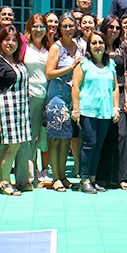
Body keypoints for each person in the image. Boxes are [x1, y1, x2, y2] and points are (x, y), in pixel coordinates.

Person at [70, 31, 120, 193]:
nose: (97, 46)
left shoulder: (111, 65)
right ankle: (84, 179)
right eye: (94, 43)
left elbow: (115, 88)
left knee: (98, 146)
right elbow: (75, 86)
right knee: (89, 145)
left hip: (105, 112)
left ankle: (93, 178)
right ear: (89, 46)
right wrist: (76, 109)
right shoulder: (83, 64)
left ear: (105, 45)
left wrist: (115, 108)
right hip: (87, 112)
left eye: (100, 42)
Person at [0, 26, 32, 196]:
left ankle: (0, 180)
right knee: (13, 145)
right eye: (6, 40)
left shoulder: (17, 60)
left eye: (14, 40)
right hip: (6, 106)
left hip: (20, 106)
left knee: (5, 145)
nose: (10, 43)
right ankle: (5, 182)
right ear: (0, 41)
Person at [97, 15, 127, 190]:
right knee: (104, 135)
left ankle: (122, 176)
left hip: (119, 92)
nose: (113, 30)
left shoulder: (124, 47)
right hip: (100, 94)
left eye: (117, 28)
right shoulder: (98, 44)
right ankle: (103, 176)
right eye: (110, 27)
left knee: (121, 134)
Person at [45, 13, 81, 192]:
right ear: (60, 28)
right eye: (64, 26)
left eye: (71, 26)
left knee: (66, 139)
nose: (68, 29)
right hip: (56, 99)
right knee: (55, 140)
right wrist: (70, 67)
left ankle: (63, 176)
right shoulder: (56, 48)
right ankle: (55, 178)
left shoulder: (79, 46)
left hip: (72, 99)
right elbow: (49, 73)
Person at [21, 14, 50, 186]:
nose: (38, 30)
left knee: (44, 135)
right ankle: (30, 173)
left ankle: (43, 169)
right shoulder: (25, 46)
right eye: (35, 26)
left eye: (41, 26)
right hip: (29, 96)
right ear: (29, 28)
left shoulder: (50, 48)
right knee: (30, 135)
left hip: (47, 96)